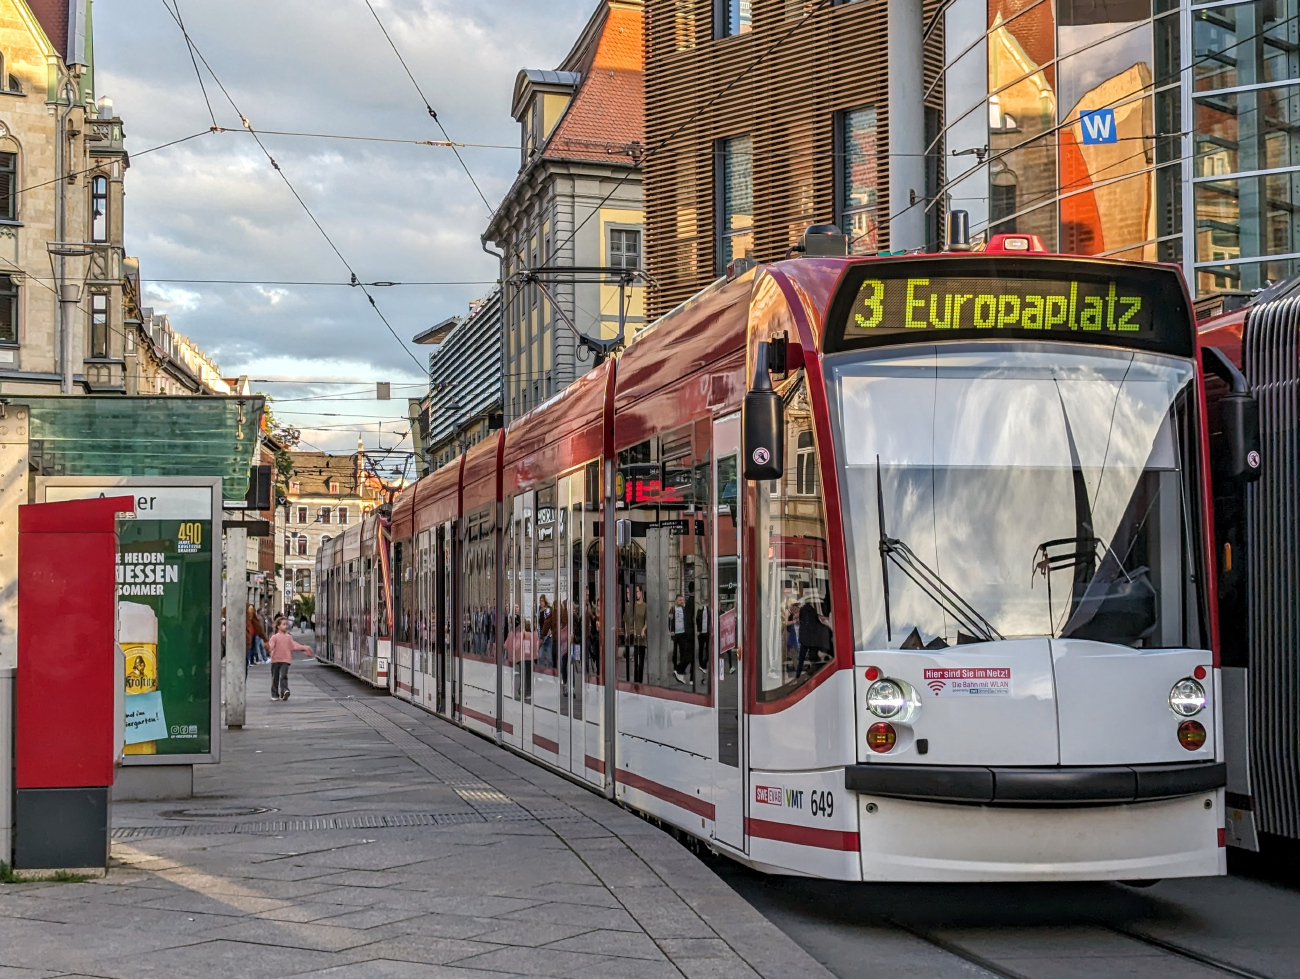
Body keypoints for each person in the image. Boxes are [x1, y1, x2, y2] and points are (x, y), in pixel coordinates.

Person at [266, 618, 313, 701]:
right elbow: (271, 646)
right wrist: (268, 648)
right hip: (275, 660)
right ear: (278, 626)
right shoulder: (274, 637)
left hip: (285, 660)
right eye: (284, 624)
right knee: (275, 677)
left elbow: (294, 645)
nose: (286, 626)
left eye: (286, 624)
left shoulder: (288, 637)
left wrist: (304, 648)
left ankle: (285, 691)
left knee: (283, 676)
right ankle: (275, 694)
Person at [670, 593, 692, 684]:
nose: (681, 601)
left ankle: (681, 669)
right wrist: (671, 630)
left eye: (682, 600)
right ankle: (675, 668)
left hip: (683, 633)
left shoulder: (684, 609)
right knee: (675, 652)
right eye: (679, 600)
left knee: (683, 651)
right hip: (675, 634)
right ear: (676, 600)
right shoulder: (672, 609)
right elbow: (670, 620)